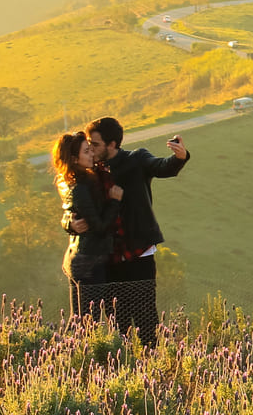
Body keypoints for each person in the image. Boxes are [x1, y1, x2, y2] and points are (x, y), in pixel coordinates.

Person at [65, 117, 189, 347]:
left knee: (145, 317)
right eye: (89, 145)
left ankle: (151, 364)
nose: (91, 148)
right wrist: (69, 224)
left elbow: (162, 166)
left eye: (96, 144)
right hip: (108, 258)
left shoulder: (136, 159)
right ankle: (125, 366)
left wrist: (179, 157)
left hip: (138, 254)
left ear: (112, 144)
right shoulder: (91, 172)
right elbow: (73, 203)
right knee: (117, 323)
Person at [54, 132, 124, 319]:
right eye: (86, 151)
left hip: (79, 257)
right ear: (75, 159)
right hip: (89, 262)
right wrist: (114, 202)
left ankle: (67, 348)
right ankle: (68, 348)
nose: (92, 154)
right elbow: (99, 227)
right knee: (87, 322)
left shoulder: (73, 181)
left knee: (78, 320)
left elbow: (71, 214)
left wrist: (68, 223)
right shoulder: (81, 188)